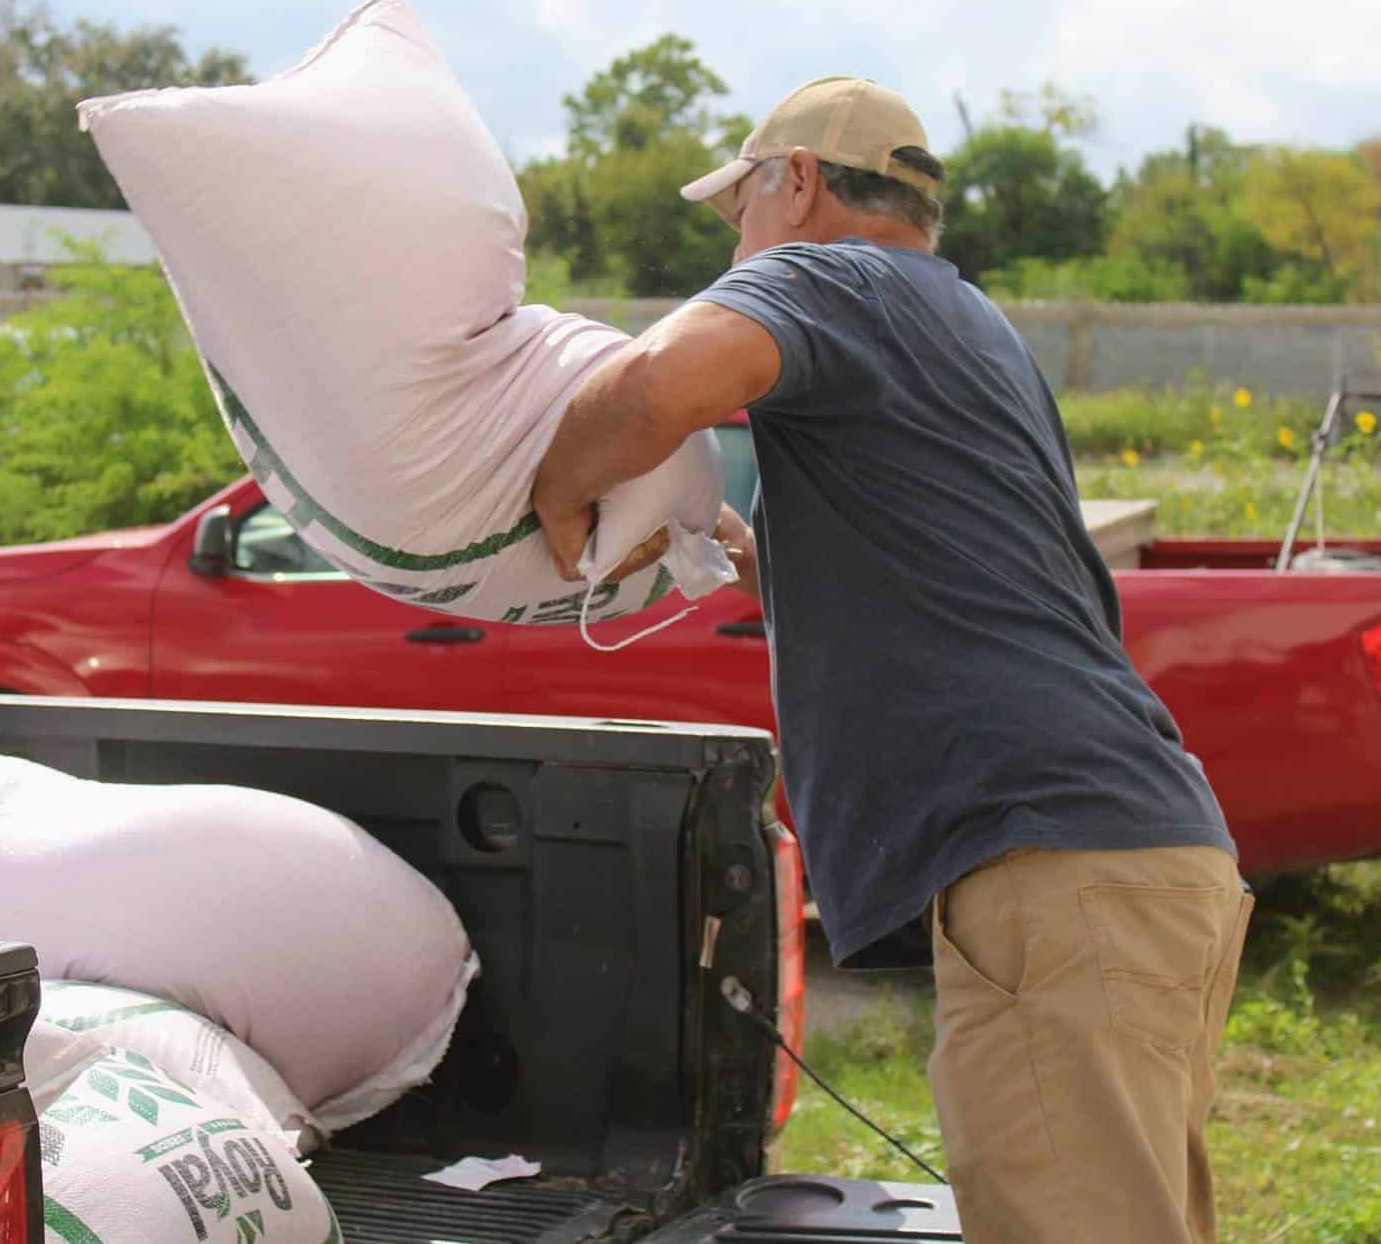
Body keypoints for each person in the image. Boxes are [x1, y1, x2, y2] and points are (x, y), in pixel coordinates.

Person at [529, 77, 1252, 1244]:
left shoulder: (826, 275)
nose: (740, 242)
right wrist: (754, 558)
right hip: (1133, 860)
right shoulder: (964, 321)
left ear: (798, 180)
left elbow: (662, 382)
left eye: (741, 210)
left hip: (1054, 869)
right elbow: (947, 571)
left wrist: (556, 486)